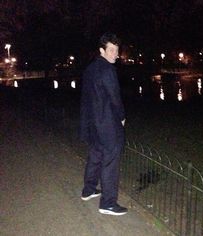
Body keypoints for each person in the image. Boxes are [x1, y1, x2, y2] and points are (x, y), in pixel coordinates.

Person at [79, 32, 127, 216]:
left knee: (95, 156)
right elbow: (115, 97)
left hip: (93, 123)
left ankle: (88, 190)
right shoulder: (108, 70)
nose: (115, 54)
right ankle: (107, 203)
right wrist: (122, 117)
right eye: (112, 50)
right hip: (107, 125)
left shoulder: (90, 69)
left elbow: (87, 98)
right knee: (110, 162)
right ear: (102, 50)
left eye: (117, 50)